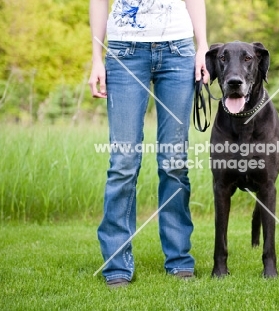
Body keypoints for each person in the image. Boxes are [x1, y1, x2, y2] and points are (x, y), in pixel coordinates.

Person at [88, 0, 209, 288]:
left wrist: (202, 45)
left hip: (178, 50)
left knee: (174, 162)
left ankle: (179, 259)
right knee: (123, 163)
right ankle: (117, 264)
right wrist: (95, 57)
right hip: (124, 53)